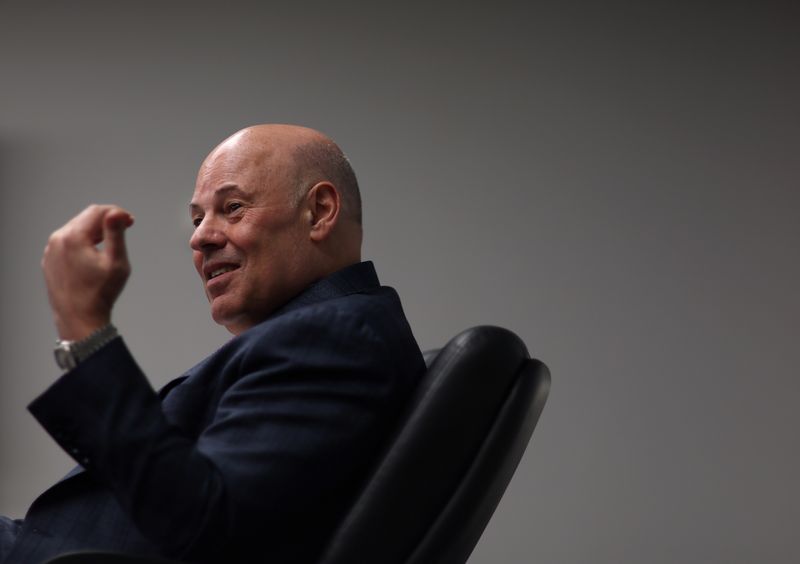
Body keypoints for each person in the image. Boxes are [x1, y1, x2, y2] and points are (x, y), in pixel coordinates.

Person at [0, 125, 426, 564]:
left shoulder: (335, 339)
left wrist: (86, 330)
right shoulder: (328, 334)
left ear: (319, 211)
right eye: (198, 218)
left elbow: (209, 532)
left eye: (232, 207)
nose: (199, 237)